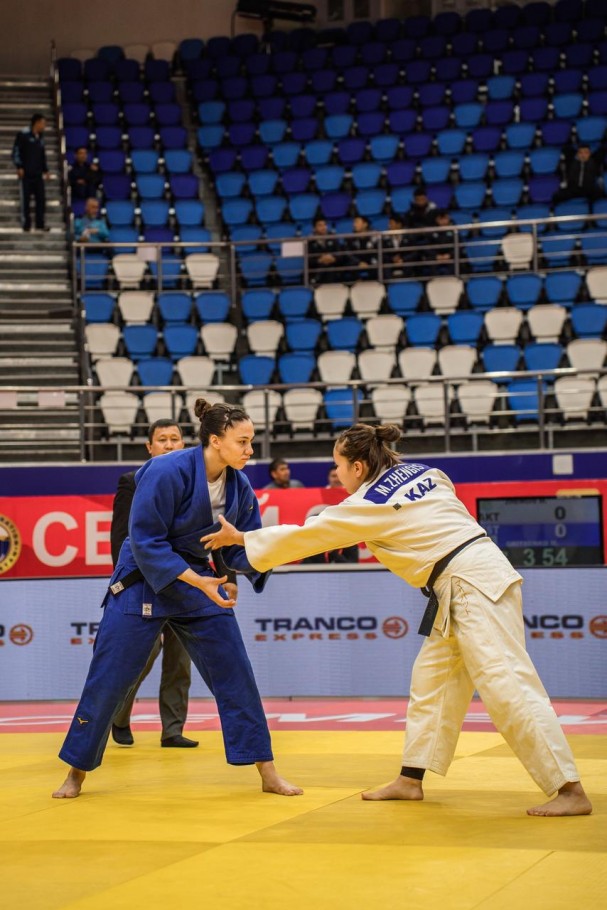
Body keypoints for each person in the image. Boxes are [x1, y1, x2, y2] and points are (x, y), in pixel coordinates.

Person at [202, 423, 592, 818]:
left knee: (507, 685)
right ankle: (410, 779)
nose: (336, 474)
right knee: (432, 681)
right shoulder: (426, 472)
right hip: (472, 578)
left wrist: (242, 539)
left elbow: (312, 533)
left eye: (338, 466)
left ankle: (569, 788)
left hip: (469, 585)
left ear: (357, 467)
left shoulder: (369, 503)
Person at [52, 399, 302, 799]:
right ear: (216, 440)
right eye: (243, 441)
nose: (250, 449)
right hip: (142, 578)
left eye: (251, 441)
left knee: (236, 673)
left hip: (196, 581)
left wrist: (275, 551)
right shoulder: (166, 470)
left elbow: (241, 547)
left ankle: (267, 770)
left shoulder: (239, 487)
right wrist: (199, 581)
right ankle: (76, 772)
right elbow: (145, 540)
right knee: (109, 678)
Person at [109, 419, 199, 749]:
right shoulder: (131, 481)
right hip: (145, 582)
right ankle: (118, 715)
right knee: (141, 655)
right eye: (162, 439)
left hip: (186, 582)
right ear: (150, 447)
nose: (169, 444)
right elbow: (121, 537)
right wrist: (127, 582)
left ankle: (172, 729)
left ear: (184, 445)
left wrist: (226, 577)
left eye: (175, 438)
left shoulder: (197, 484)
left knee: (180, 659)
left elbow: (209, 535)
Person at [302, 466, 359, 565]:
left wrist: (333, 553)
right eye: (333, 476)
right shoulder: (314, 545)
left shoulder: (350, 541)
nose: (336, 479)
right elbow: (304, 567)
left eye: (338, 476)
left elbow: (353, 567)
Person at [12, 112, 50, 233]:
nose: (44, 126)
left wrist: (45, 170)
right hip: (26, 174)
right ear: (37, 123)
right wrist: (19, 166)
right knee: (25, 200)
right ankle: (26, 224)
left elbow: (42, 155)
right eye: (43, 123)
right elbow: (16, 151)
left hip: (38, 174)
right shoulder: (23, 134)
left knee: (41, 199)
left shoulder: (41, 137)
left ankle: (40, 223)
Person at [308, 216, 341, 284]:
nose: (323, 227)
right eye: (320, 225)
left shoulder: (332, 237)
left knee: (330, 269)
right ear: (314, 228)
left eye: (325, 225)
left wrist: (333, 259)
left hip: (332, 266)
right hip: (317, 268)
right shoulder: (310, 241)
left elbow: (339, 254)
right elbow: (308, 260)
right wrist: (320, 260)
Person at [348, 215, 379, 281]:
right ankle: (357, 282)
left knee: (377, 262)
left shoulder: (374, 236)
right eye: (354, 222)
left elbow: (377, 252)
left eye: (356, 222)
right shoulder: (351, 238)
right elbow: (350, 254)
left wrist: (368, 263)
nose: (354, 225)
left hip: (371, 261)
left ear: (365, 224)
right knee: (349, 263)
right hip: (358, 262)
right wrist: (359, 262)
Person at [428, 209, 455, 275]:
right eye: (441, 219)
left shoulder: (454, 230)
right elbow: (428, 246)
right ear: (436, 219)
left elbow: (460, 245)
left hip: (450, 256)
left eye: (445, 218)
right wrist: (436, 256)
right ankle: (433, 279)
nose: (443, 221)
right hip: (436, 256)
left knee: (457, 259)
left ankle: (455, 278)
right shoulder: (431, 231)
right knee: (430, 260)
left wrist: (450, 255)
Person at [383, 212, 408, 279]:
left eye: (391, 223)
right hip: (391, 263)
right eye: (389, 224)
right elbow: (384, 254)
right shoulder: (385, 239)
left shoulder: (408, 237)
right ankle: (388, 283)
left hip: (405, 262)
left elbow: (414, 252)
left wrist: (403, 259)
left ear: (399, 225)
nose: (389, 226)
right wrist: (392, 259)